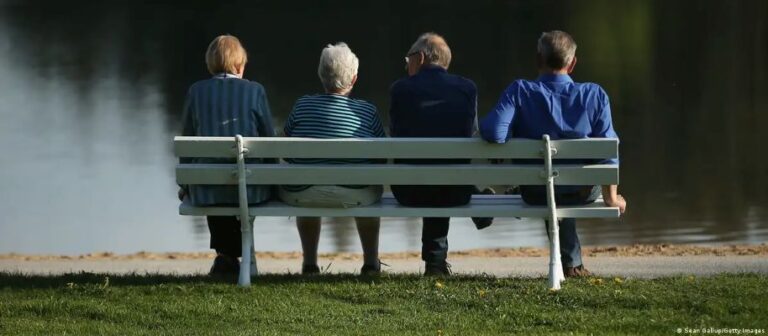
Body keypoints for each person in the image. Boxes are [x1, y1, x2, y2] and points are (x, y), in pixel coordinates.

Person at [479, 30, 627, 277]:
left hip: (534, 191)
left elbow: (494, 132)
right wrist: (612, 198)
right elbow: (608, 151)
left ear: (538, 60)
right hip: (580, 192)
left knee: (549, 180)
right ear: (573, 64)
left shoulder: (520, 91)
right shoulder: (594, 95)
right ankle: (572, 265)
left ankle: (572, 263)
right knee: (561, 181)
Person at [388, 33, 492, 276]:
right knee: (444, 172)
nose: (406, 64)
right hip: (455, 190)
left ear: (421, 57)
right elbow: (472, 131)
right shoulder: (467, 88)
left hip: (408, 190)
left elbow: (395, 131)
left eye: (409, 59)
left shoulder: (399, 89)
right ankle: (436, 261)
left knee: (431, 171)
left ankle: (435, 262)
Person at [280, 42, 385, 276]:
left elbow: (286, 150)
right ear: (354, 78)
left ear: (321, 75)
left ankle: (309, 264)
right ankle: (370, 264)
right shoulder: (367, 112)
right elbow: (381, 155)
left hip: (303, 193)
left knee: (306, 181)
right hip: (356, 193)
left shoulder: (302, 106)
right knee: (367, 184)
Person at [178, 35, 276, 275]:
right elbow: (270, 142)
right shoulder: (255, 91)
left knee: (214, 178)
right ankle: (228, 257)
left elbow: (187, 144)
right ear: (240, 65)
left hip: (206, 189)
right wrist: (274, 177)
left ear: (210, 65)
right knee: (237, 180)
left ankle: (225, 256)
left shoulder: (196, 92)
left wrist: (185, 183)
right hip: (252, 189)